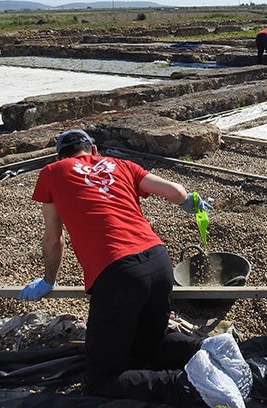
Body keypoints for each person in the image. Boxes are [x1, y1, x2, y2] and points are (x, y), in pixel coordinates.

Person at [19, 129, 252, 408]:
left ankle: (185, 386)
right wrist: (189, 202)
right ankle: (206, 347)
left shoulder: (52, 172)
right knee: (149, 344)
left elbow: (53, 238)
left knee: (101, 379)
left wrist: (48, 280)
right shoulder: (122, 165)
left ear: (60, 155)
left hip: (118, 272)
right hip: (158, 260)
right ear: (94, 150)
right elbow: (176, 191)